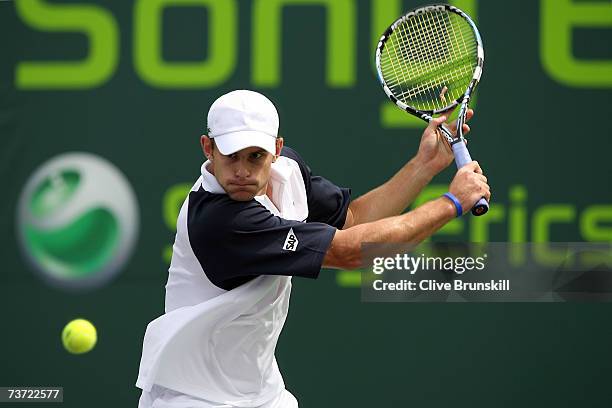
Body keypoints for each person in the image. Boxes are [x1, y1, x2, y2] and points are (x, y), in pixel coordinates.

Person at [136, 90, 490, 407]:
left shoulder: (287, 171)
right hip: (195, 397)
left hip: (263, 394)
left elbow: (353, 219)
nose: (242, 171)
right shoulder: (220, 220)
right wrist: (450, 203)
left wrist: (424, 165)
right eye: (231, 156)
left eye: (255, 156)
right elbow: (352, 251)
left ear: (276, 150)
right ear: (208, 148)